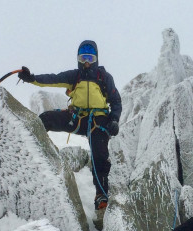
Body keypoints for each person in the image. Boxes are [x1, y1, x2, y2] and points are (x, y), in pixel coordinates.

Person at [17, 40, 122, 210]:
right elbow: (53, 79)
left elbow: (116, 101)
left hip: (99, 121)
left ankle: (101, 195)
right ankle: (28, 149)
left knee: (99, 156)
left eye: (89, 57)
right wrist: (32, 79)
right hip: (78, 117)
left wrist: (114, 120)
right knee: (46, 118)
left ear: (96, 59)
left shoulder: (104, 77)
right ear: (78, 59)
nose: (86, 62)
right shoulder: (75, 75)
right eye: (83, 58)